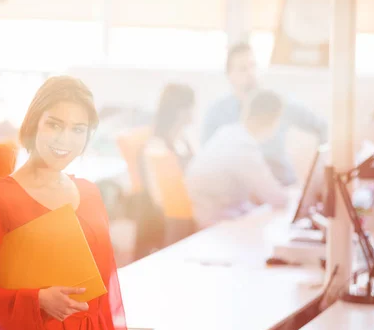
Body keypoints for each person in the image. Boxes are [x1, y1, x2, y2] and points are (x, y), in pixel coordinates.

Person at [0, 76, 136, 330]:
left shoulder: (90, 193)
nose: (64, 139)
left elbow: (108, 296)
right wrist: (37, 300)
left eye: (77, 129)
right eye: (54, 124)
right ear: (34, 124)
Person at [201, 42, 328, 186]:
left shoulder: (278, 104)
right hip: (240, 196)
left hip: (281, 186)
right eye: (243, 69)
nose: (251, 73)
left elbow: (323, 127)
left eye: (253, 66)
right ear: (229, 75)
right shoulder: (216, 113)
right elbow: (208, 158)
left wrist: (321, 171)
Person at [186, 90, 289, 229]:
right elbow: (276, 198)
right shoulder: (244, 147)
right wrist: (294, 197)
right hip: (212, 219)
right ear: (272, 119)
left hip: (209, 209)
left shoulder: (228, 132)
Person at [134, 83, 195, 257]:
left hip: (184, 211)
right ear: (180, 111)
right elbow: (160, 199)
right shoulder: (156, 147)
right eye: (191, 107)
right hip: (165, 221)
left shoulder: (183, 141)